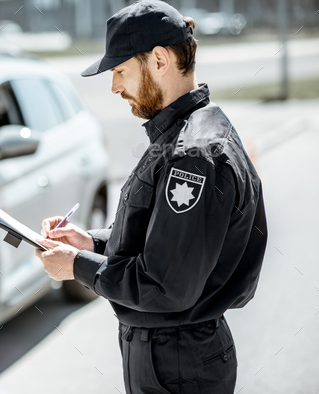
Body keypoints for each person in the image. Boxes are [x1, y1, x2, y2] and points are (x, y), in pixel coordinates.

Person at [34, 1, 268, 393]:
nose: (115, 86)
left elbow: (164, 285)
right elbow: (164, 238)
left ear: (159, 60)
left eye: (121, 70)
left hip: (178, 365)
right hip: (174, 357)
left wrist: (77, 267)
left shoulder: (193, 155)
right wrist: (90, 242)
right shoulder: (185, 131)